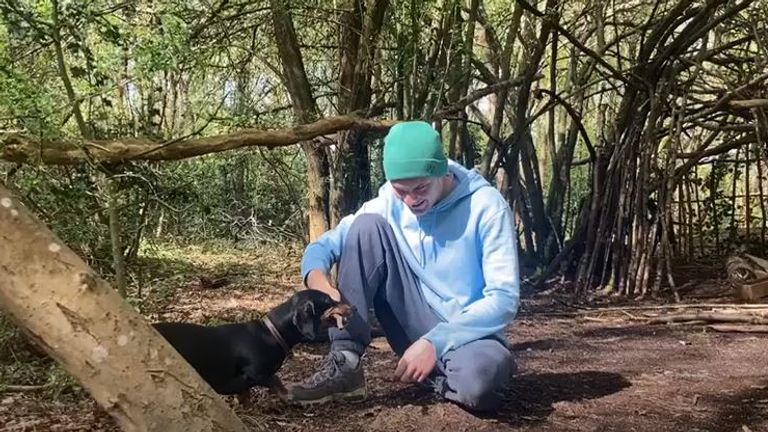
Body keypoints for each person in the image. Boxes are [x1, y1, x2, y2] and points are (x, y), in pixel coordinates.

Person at [285, 120, 520, 412]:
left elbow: (503, 298)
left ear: (441, 170)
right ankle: (345, 365)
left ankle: (435, 372)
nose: (410, 201)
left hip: (468, 332)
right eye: (401, 190)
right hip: (411, 315)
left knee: (480, 383)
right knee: (365, 226)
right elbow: (326, 245)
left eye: (420, 188)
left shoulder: (486, 207)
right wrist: (317, 279)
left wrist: (435, 343)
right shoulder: (390, 201)